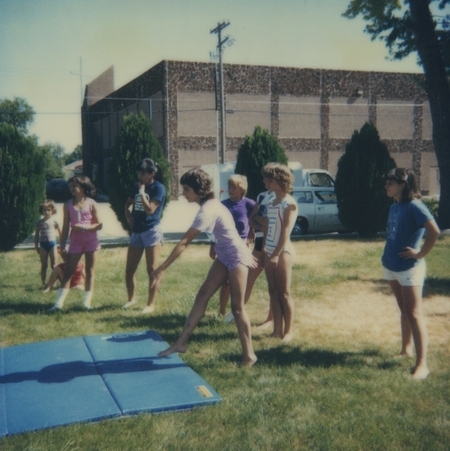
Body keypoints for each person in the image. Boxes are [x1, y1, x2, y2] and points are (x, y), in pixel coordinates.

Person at [152, 168, 258, 367]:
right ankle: (181, 343)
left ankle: (249, 355)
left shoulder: (208, 209)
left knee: (237, 308)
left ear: (198, 191)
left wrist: (162, 268)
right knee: (202, 296)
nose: (183, 194)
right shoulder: (210, 205)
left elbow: (184, 242)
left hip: (236, 257)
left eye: (186, 189)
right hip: (224, 255)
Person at [382, 168, 440, 380]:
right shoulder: (394, 206)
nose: (387, 185)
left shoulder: (415, 205)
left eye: (391, 182)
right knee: (404, 310)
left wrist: (421, 253)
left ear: (404, 184)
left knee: (414, 314)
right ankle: (406, 349)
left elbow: (434, 230)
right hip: (391, 266)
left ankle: (422, 365)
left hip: (409, 269)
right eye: (387, 181)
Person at [254, 163, 298, 342]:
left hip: (283, 251)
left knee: (284, 293)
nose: (265, 182)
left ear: (280, 180)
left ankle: (288, 331)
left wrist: (276, 255)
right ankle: (276, 329)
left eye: (269, 179)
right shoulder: (272, 202)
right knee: (272, 291)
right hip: (269, 249)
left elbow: (285, 231)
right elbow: (269, 225)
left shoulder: (289, 203)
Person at [47, 175, 102, 312]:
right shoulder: (68, 205)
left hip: (91, 242)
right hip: (76, 242)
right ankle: (58, 304)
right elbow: (66, 226)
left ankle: (86, 303)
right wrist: (62, 244)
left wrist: (84, 227)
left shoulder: (91, 203)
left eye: (74, 186)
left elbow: (99, 225)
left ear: (83, 188)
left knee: (89, 271)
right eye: (70, 186)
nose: (72, 189)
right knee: (68, 272)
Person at [122, 158, 166, 314]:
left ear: (152, 174)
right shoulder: (135, 187)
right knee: (129, 270)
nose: (140, 175)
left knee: (152, 269)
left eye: (143, 173)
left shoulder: (158, 188)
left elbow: (150, 210)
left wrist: (141, 192)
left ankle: (150, 304)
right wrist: (128, 216)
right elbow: (127, 203)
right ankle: (131, 299)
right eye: (139, 172)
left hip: (151, 231)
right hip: (137, 232)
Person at [210, 174, 255, 320]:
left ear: (242, 189)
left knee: (237, 282)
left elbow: (253, 221)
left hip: (241, 247)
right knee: (225, 282)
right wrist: (212, 245)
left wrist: (252, 231)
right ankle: (222, 312)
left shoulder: (249, 204)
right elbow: (214, 227)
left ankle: (235, 313)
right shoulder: (223, 205)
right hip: (225, 245)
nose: (231, 190)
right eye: (229, 187)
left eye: (234, 187)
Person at [34, 200, 61, 285]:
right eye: (44, 210)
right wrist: (36, 246)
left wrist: (61, 245)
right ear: (41, 211)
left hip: (52, 244)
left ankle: (55, 282)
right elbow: (36, 235)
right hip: (43, 245)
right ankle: (43, 282)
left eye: (48, 210)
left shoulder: (54, 222)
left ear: (52, 211)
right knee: (44, 265)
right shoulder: (39, 222)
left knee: (54, 265)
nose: (46, 212)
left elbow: (61, 234)